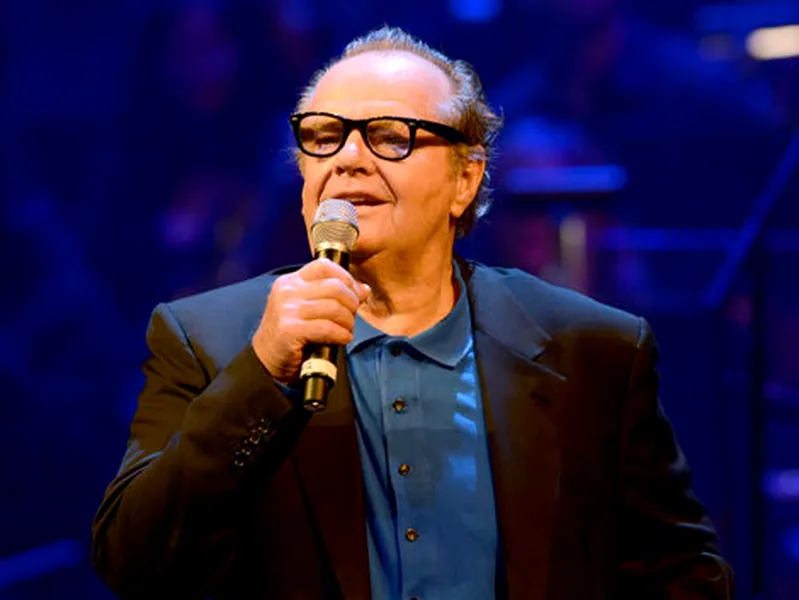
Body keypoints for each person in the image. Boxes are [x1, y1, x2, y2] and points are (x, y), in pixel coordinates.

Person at [92, 26, 733, 600]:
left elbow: (681, 573)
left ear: (465, 180)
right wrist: (260, 375)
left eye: (390, 137)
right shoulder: (204, 339)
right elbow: (134, 566)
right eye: (323, 137)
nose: (347, 158)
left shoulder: (593, 348)